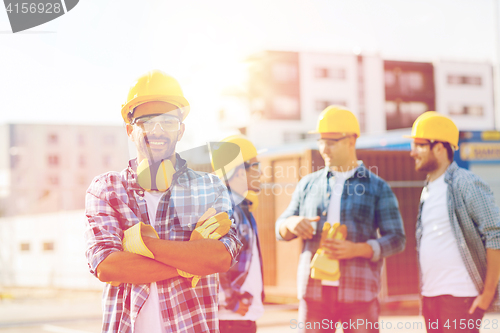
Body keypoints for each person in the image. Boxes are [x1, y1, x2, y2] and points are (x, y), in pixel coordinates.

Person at [84, 70, 242, 333]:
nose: (157, 130)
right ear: (129, 130)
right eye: (146, 121)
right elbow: (108, 266)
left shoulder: (208, 187)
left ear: (181, 130)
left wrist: (140, 244)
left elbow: (220, 257)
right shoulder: (106, 189)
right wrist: (190, 262)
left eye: (167, 121)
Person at [275, 105, 406, 333]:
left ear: (351, 141)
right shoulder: (307, 184)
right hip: (314, 294)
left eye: (332, 141)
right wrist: (291, 223)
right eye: (321, 141)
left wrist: (357, 249)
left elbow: (397, 239)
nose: (324, 148)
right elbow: (280, 227)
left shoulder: (377, 187)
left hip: (359, 295)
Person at [407, 111, 500, 333]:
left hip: (461, 298)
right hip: (431, 296)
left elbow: (495, 234)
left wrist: (488, 295)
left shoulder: (465, 183)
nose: (412, 152)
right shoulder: (428, 189)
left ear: (439, 147)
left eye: (419, 145)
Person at [211, 135, 265, 333]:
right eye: (256, 166)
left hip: (240, 316)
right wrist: (231, 301)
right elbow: (217, 260)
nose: (261, 172)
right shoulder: (227, 208)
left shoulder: (241, 207)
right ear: (240, 172)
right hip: (232, 319)